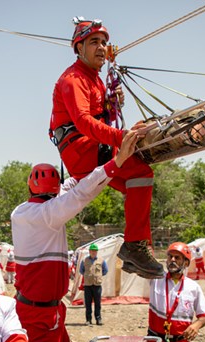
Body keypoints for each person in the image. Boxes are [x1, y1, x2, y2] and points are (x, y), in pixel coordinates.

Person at [10, 131, 140, 342]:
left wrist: (95, 165)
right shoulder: (46, 214)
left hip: (47, 309)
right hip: (40, 315)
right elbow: (80, 194)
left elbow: (71, 185)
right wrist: (116, 163)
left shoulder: (25, 211)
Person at [49, 17, 163, 279]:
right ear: (79, 48)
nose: (101, 48)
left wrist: (112, 105)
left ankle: (138, 249)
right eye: (94, 42)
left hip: (90, 147)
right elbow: (84, 122)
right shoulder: (73, 79)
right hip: (82, 149)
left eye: (103, 43)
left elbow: (100, 118)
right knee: (140, 171)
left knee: (138, 186)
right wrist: (122, 137)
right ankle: (135, 246)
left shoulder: (96, 80)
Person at [147, 242, 205, 342]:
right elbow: (142, 260)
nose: (172, 260)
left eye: (177, 258)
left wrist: (196, 325)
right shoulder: (155, 278)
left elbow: (204, 315)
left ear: (186, 263)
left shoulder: (193, 287)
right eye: (170, 257)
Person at [79, 243, 108, 326]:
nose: (93, 252)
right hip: (88, 285)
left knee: (97, 303)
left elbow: (105, 271)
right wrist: (88, 275)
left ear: (97, 252)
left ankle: (98, 319)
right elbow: (81, 271)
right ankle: (88, 320)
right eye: (92, 251)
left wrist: (98, 276)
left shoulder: (101, 260)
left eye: (95, 251)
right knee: (88, 303)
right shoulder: (84, 260)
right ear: (89, 251)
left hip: (97, 285)